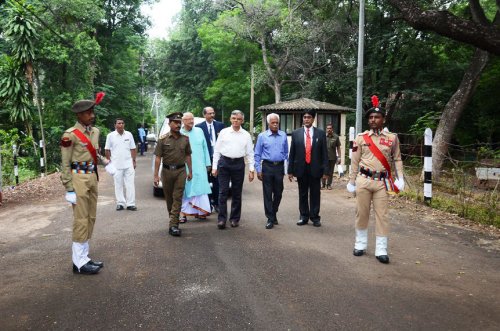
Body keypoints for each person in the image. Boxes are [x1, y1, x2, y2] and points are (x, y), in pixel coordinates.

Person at [347, 95, 404, 264]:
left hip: (382, 183)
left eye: (377, 117)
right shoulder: (360, 137)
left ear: (383, 119)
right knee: (361, 213)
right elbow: (354, 160)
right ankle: (360, 244)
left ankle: (381, 249)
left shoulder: (392, 138)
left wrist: (400, 177)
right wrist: (351, 181)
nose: (373, 120)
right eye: (371, 117)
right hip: (363, 180)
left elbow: (398, 159)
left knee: (382, 215)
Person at [60, 92, 109, 275]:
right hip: (78, 179)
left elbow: (94, 153)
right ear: (79, 115)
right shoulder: (70, 135)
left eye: (92, 112)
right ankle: (78, 263)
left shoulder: (95, 132)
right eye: (88, 113)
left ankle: (84, 257)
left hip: (92, 177)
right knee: (80, 220)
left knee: (90, 218)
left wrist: (105, 163)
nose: (92, 115)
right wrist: (69, 187)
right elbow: (65, 162)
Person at [212, 110, 255, 229]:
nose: (236, 121)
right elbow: (216, 150)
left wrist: (251, 170)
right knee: (223, 192)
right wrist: (214, 167)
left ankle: (235, 219)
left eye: (238, 119)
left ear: (242, 120)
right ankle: (221, 219)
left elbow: (250, 153)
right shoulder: (224, 132)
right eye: (234, 118)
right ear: (230, 119)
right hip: (224, 163)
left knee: (236, 193)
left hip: (238, 164)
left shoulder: (246, 135)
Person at [153, 112, 193, 237]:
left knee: (177, 197)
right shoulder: (163, 139)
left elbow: (188, 155)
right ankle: (173, 218)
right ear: (169, 123)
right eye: (175, 122)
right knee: (169, 199)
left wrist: (190, 170)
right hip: (166, 172)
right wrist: (156, 175)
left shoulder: (185, 139)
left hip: (181, 171)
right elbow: (158, 158)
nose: (177, 125)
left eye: (179, 122)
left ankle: (174, 225)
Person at [288, 109, 328, 227]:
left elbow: (324, 153)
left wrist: (326, 170)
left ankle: (315, 217)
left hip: (315, 168)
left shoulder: (320, 133)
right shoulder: (296, 133)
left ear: (313, 119)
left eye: (309, 117)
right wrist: (290, 170)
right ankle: (303, 216)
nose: (306, 119)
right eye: (304, 117)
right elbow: (292, 153)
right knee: (303, 193)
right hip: (301, 168)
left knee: (315, 193)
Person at [254, 113, 288, 229]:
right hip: (267, 167)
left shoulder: (283, 135)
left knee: (279, 192)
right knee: (268, 193)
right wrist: (258, 170)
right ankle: (270, 218)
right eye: (272, 123)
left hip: (279, 167)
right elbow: (257, 154)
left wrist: (287, 170)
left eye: (276, 122)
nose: (275, 125)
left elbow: (286, 153)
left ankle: (273, 212)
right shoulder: (262, 136)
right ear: (268, 124)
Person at [179, 112, 212, 222]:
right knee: (185, 189)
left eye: (192, 119)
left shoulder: (199, 131)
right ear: (183, 121)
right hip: (184, 166)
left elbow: (205, 148)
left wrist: (208, 163)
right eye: (189, 120)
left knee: (201, 187)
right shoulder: (179, 133)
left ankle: (201, 211)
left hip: (199, 165)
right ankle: (183, 213)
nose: (192, 121)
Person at [196, 106, 225, 212]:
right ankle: (207, 204)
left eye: (213, 113)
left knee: (217, 181)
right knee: (206, 182)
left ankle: (217, 204)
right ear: (204, 115)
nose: (212, 115)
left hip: (217, 158)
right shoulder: (199, 127)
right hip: (205, 159)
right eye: (209, 113)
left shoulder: (220, 126)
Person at [105, 118, 137, 211]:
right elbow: (107, 150)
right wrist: (109, 162)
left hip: (128, 164)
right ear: (115, 125)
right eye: (119, 123)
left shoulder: (129, 134)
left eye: (122, 123)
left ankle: (131, 204)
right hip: (116, 165)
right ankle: (120, 203)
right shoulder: (110, 136)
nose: (121, 125)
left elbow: (133, 148)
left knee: (130, 184)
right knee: (118, 185)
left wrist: (134, 161)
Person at [322, 123, 341, 190]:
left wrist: (339, 157)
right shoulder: (323, 136)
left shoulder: (336, 137)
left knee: (330, 172)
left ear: (332, 129)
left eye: (330, 128)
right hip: (323, 157)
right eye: (328, 128)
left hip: (332, 157)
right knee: (324, 171)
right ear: (326, 129)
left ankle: (329, 184)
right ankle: (323, 185)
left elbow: (338, 147)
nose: (329, 129)